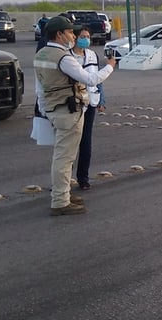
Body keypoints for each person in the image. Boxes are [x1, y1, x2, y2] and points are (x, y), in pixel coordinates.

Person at [34, 16, 115, 216]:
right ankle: (61, 201)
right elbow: (90, 79)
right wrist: (110, 66)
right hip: (68, 111)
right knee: (65, 157)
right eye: (70, 32)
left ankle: (64, 194)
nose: (73, 36)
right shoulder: (63, 57)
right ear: (59, 34)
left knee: (63, 156)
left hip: (54, 109)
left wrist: (44, 111)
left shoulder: (42, 54)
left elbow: (39, 88)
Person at [72, 27, 107, 191]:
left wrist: (102, 99)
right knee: (70, 143)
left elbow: (97, 78)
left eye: (87, 36)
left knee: (86, 143)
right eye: (82, 36)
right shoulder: (67, 56)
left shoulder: (92, 54)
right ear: (75, 37)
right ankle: (64, 179)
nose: (86, 39)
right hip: (74, 103)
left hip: (91, 101)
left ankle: (83, 178)